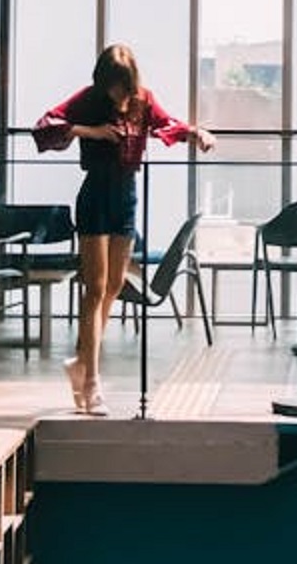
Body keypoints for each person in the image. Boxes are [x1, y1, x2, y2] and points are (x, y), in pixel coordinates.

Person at [33, 44, 216, 415]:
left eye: (123, 85)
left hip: (127, 195)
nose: (119, 94)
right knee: (95, 287)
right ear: (103, 82)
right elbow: (46, 126)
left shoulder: (142, 100)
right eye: (113, 86)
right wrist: (92, 132)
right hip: (96, 193)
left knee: (115, 284)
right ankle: (91, 381)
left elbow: (167, 124)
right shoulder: (89, 99)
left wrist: (196, 133)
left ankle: (82, 363)